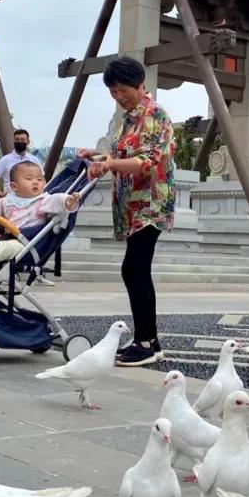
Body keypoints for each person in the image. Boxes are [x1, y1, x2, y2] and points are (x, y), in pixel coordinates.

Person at [78, 56, 175, 368]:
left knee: (133, 268)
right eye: (113, 91)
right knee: (136, 269)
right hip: (132, 202)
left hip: (151, 201)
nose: (118, 96)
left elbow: (147, 160)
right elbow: (123, 154)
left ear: (139, 83)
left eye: (123, 90)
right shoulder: (128, 118)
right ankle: (148, 339)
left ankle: (147, 342)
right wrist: (98, 156)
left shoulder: (155, 114)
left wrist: (108, 164)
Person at [0, 160, 79, 266]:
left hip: (23, 243)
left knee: (9, 247)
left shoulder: (43, 201)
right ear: (14, 186)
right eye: (29, 179)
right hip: (2, 234)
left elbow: (57, 200)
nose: (36, 182)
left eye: (40, 179)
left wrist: (68, 201)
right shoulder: (8, 200)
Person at [0, 128, 40, 196]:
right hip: (10, 200)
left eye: (22, 140)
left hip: (31, 200)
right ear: (14, 141)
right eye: (17, 140)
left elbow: (42, 178)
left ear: (28, 142)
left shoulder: (34, 160)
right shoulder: (5, 160)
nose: (20, 142)